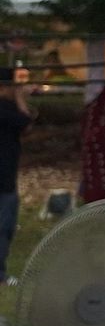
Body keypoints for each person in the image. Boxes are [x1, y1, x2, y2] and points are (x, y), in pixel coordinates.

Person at [0, 67, 37, 286]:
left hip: (6, 173)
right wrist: (21, 98)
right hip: (4, 177)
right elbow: (26, 124)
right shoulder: (5, 109)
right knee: (4, 226)